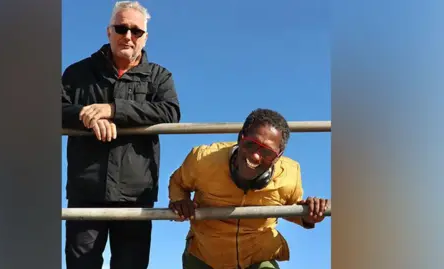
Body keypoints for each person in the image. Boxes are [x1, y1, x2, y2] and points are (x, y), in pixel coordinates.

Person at [61, 1, 180, 269]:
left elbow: (170, 111)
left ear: (145, 37)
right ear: (108, 32)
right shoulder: (77, 73)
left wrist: (114, 110)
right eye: (121, 28)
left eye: (136, 31)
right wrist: (86, 116)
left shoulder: (159, 77)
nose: (128, 36)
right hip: (86, 191)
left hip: (135, 195)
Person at [168, 108, 329, 269]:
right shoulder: (203, 159)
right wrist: (180, 200)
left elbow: (293, 209)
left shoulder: (290, 175)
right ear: (240, 138)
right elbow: (178, 183)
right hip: (205, 254)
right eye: (251, 145)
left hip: (258, 257)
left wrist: (312, 213)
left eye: (268, 153)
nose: (255, 156)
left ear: (279, 156)